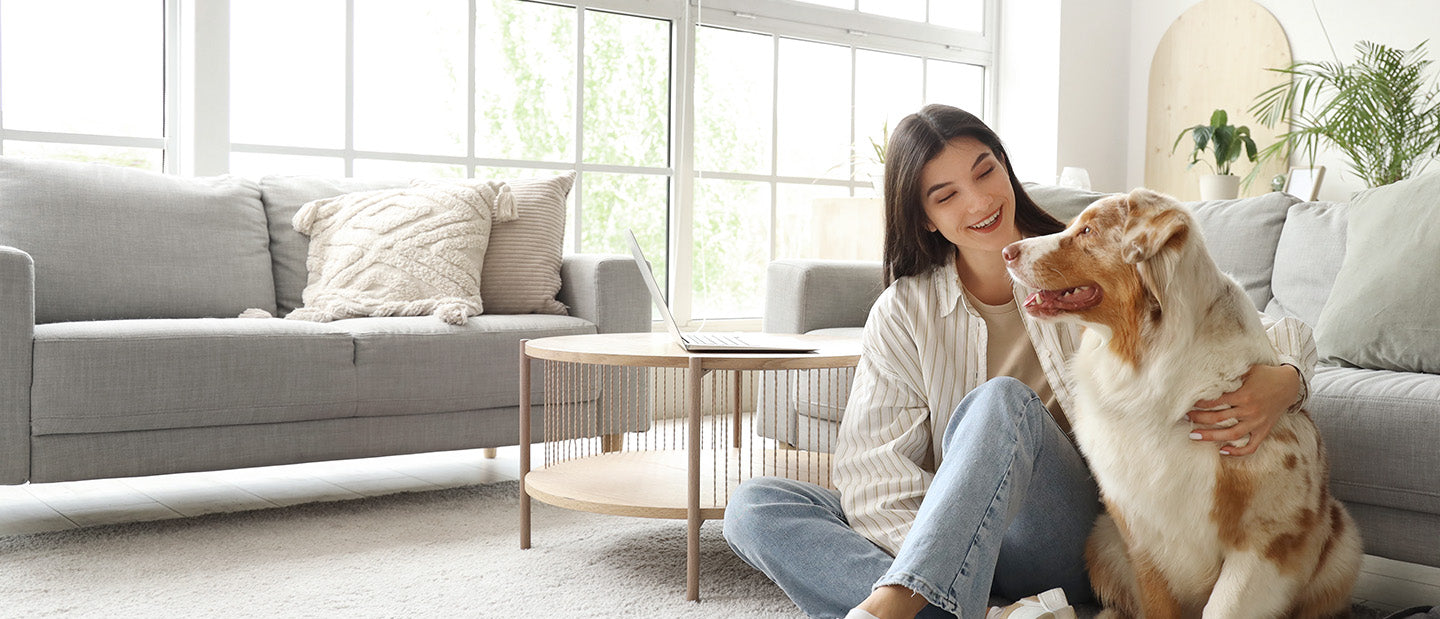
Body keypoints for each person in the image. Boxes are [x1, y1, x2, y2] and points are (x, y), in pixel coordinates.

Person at [722, 104, 1316, 619]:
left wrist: (1285, 378)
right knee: (753, 506)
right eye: (946, 194)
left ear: (1006, 168)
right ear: (925, 217)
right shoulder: (904, 311)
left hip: (1063, 531)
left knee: (1003, 402)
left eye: (986, 171)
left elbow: (1268, 323)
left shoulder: (1082, 256)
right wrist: (950, 549)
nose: (979, 201)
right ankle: (994, 615)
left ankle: (901, 607)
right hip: (954, 528)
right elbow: (874, 479)